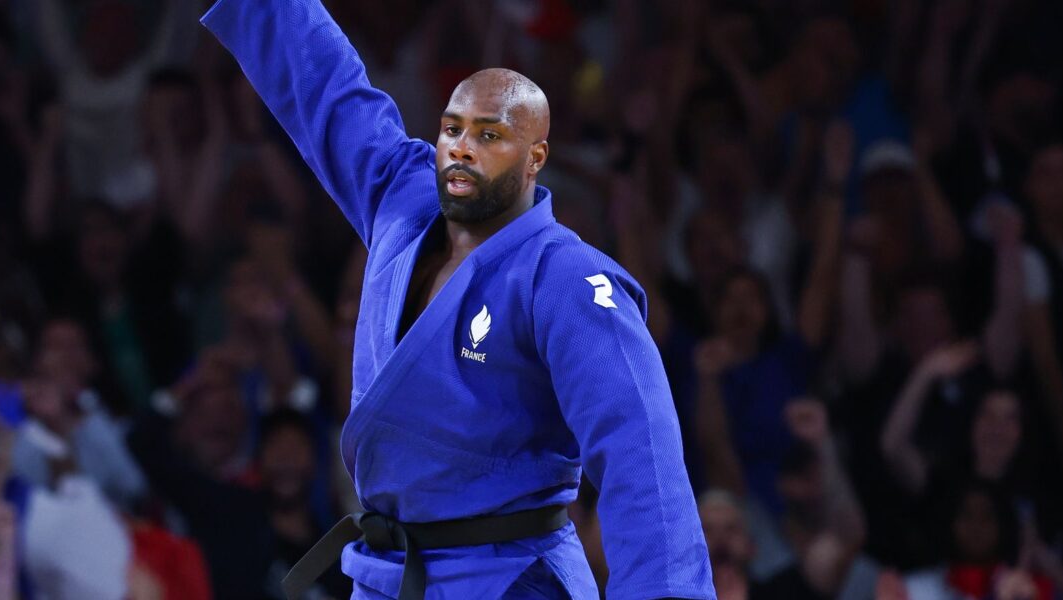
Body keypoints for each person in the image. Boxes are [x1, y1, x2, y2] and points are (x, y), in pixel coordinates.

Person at [201, 1, 713, 598]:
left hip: (506, 579)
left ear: (535, 159)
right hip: (388, 574)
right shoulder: (401, 202)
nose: (462, 149)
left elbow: (640, 458)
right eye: (452, 129)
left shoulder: (565, 277)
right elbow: (328, 89)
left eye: (490, 135)